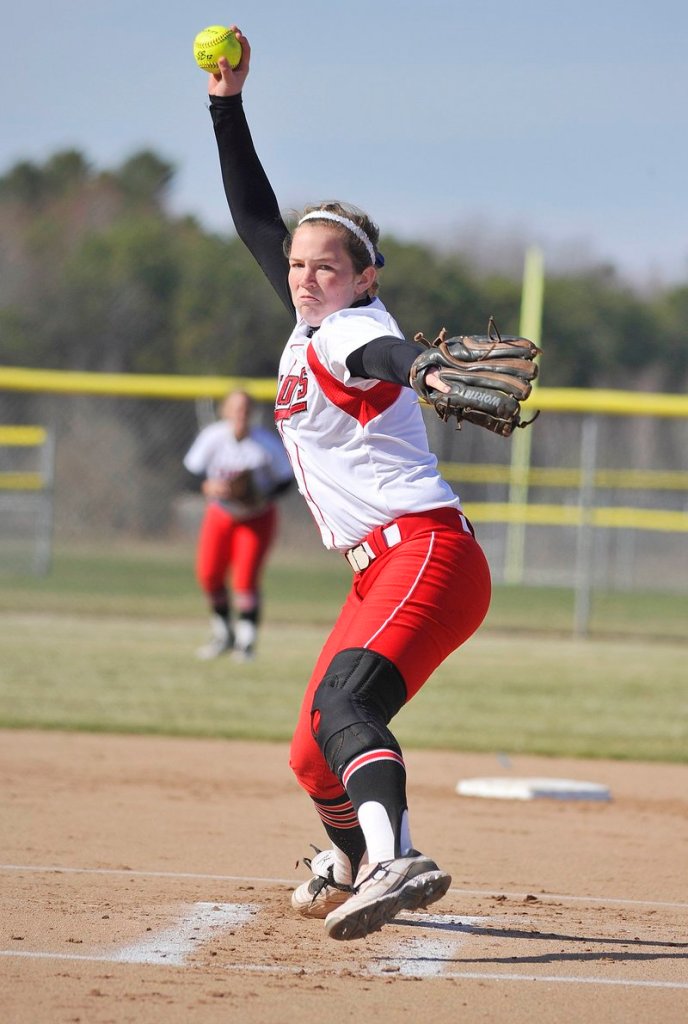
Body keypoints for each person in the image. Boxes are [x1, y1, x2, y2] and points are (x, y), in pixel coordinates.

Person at [204, 28, 492, 940]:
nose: (304, 276)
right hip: (382, 568)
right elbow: (256, 219)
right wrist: (226, 104)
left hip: (426, 553)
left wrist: (425, 372)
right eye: (298, 265)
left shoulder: (346, 328)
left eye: (326, 265)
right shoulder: (303, 317)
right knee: (310, 752)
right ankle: (353, 857)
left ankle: (394, 856)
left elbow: (381, 351)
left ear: (363, 276)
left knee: (345, 705)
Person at [183, 389, 293, 661]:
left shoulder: (264, 443)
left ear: (252, 413)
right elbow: (191, 471)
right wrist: (207, 486)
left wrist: (259, 496)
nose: (240, 414)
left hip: (256, 517)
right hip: (220, 513)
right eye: (235, 408)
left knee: (245, 579)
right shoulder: (213, 437)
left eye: (245, 409)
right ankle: (223, 634)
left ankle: (246, 643)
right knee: (209, 574)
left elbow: (286, 479)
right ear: (225, 411)